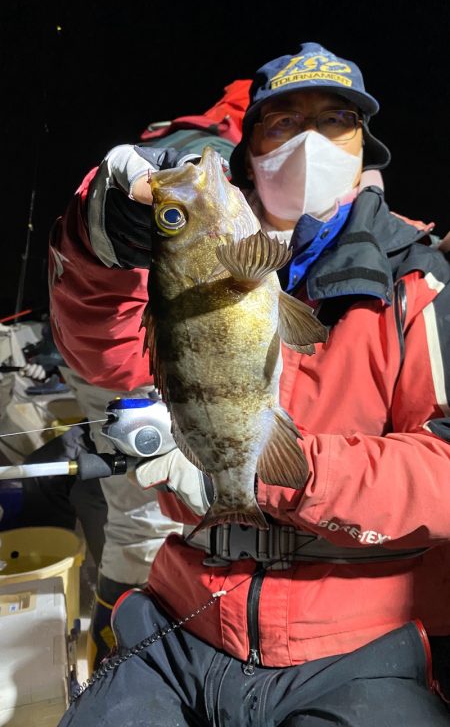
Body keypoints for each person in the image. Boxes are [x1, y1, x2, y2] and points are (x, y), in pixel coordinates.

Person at [59, 43, 450, 726]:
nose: (310, 140)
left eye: (336, 120)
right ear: (248, 151)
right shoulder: (193, 256)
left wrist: (282, 474)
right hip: (184, 620)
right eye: (281, 122)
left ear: (365, 150)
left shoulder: (416, 282)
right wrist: (101, 239)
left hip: (363, 642)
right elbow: (103, 353)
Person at [47, 80, 251, 669]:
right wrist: (96, 234)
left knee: (150, 518)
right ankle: (125, 654)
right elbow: (105, 339)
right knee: (146, 515)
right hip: (141, 372)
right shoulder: (192, 161)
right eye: (281, 122)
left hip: (159, 359)